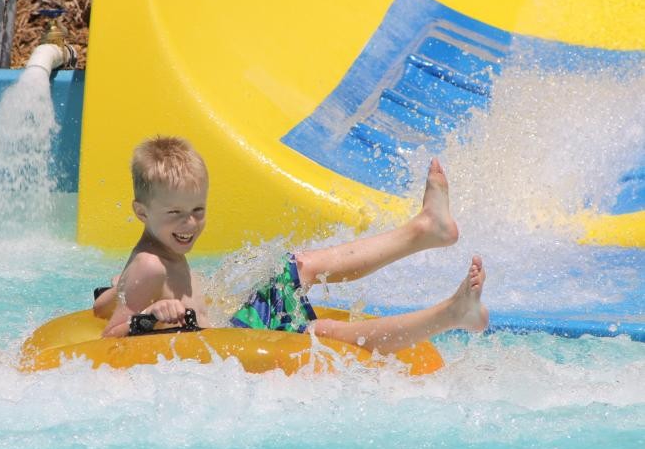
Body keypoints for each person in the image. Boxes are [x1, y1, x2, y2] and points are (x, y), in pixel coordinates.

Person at [94, 136, 488, 356]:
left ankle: (425, 231)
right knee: (325, 332)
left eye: (198, 209)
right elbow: (110, 339)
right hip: (238, 343)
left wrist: (118, 291)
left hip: (235, 329)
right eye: (176, 213)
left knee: (297, 265)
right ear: (141, 212)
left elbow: (105, 307)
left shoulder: (152, 259)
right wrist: (151, 315)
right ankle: (450, 312)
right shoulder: (151, 266)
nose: (190, 223)